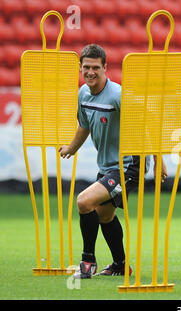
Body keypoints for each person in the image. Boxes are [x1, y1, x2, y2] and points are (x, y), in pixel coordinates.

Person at [59, 44, 168, 279]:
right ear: (80, 68)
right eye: (86, 67)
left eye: (95, 67)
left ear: (105, 67)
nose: (90, 72)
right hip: (108, 166)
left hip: (129, 165)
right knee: (104, 215)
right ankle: (120, 265)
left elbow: (145, 123)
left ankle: (88, 262)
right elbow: (85, 126)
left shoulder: (118, 95)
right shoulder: (82, 93)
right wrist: (71, 147)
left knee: (84, 201)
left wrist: (159, 159)